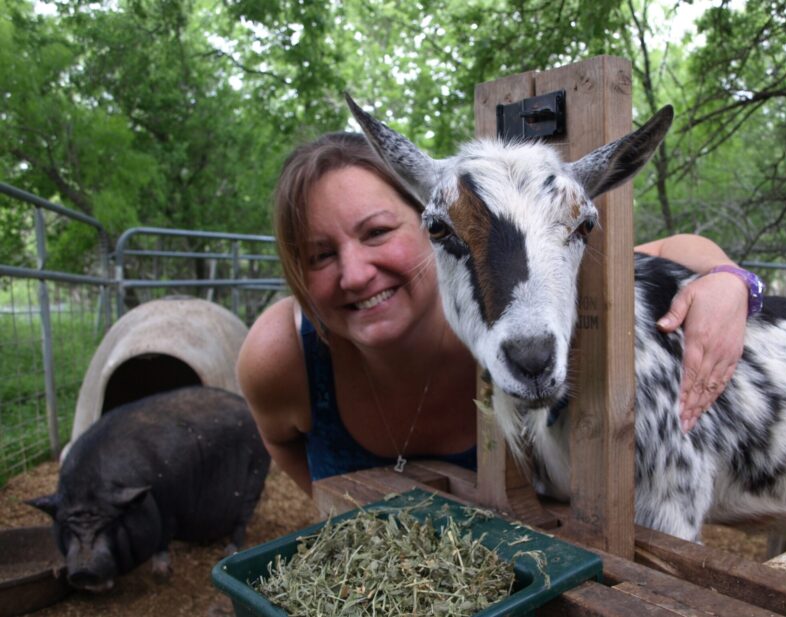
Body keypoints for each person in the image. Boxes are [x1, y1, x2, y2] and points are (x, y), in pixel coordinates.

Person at [237, 132, 752, 496]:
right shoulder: (280, 355)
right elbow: (281, 441)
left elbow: (669, 248)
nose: (354, 274)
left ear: (437, 224)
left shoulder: (511, 311)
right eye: (319, 255)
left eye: (376, 232)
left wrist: (733, 281)